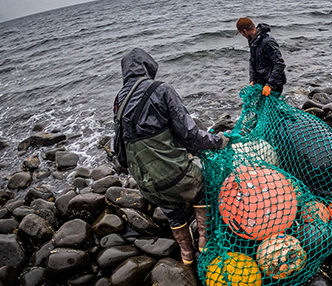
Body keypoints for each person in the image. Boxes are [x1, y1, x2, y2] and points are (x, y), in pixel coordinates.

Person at [113, 48, 229, 265]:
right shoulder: (161, 89)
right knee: (201, 188)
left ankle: (186, 254)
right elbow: (190, 135)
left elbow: (118, 148)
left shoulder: (119, 99)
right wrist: (220, 141)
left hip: (146, 184)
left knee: (172, 211)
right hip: (175, 177)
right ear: (148, 66)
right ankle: (203, 241)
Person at [236, 17, 287, 96]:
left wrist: (269, 84)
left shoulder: (267, 41)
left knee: (270, 107)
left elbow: (279, 64)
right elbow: (252, 61)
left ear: (244, 31)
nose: (242, 35)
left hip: (274, 83)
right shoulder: (252, 41)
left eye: (241, 33)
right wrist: (252, 79)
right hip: (261, 82)